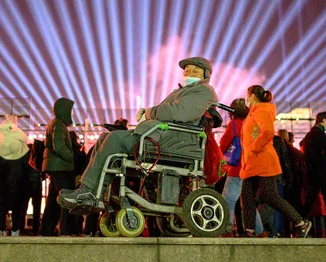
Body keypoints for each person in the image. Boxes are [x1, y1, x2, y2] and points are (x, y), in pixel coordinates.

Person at [58, 57, 218, 210]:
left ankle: (88, 191)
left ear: (205, 75)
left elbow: (178, 112)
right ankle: (92, 192)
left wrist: (148, 113)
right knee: (104, 138)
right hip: (160, 136)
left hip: (173, 141)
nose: (189, 74)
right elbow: (168, 112)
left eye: (194, 72)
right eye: (187, 71)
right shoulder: (185, 91)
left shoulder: (203, 91)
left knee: (114, 138)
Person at [239, 85, 312, 238]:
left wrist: (254, 147)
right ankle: (249, 231)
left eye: (247, 95)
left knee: (270, 196)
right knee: (247, 196)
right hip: (252, 162)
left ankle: (301, 223)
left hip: (263, 161)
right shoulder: (253, 113)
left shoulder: (261, 110)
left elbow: (268, 132)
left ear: (251, 96)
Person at [40, 97, 76, 236]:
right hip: (60, 167)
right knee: (66, 199)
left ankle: (46, 231)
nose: (71, 113)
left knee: (53, 201)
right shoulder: (59, 125)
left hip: (54, 166)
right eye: (70, 110)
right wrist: (71, 157)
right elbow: (59, 146)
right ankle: (65, 230)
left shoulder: (55, 123)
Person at [219, 98, 251, 235]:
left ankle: (227, 230)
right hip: (250, 167)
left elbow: (224, 144)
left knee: (227, 201)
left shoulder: (234, 124)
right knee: (248, 204)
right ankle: (259, 232)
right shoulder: (251, 123)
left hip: (236, 168)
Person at [0, 114, 30, 236]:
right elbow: (26, 166)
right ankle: (16, 229)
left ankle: (2, 229)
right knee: (17, 204)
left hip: (4, 179)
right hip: (19, 178)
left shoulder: (0, 147)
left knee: (2, 204)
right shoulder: (22, 147)